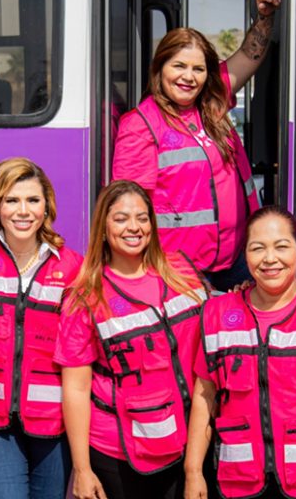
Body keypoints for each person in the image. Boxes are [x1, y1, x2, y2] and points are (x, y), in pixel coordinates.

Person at [184, 206, 296, 499]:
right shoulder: (216, 315)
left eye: (281, 247)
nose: (270, 259)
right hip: (239, 483)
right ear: (245, 254)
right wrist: (193, 472)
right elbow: (204, 396)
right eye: (258, 248)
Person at [112, 0, 282, 292]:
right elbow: (129, 210)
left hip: (237, 261)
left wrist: (264, 17)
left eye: (198, 69)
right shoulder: (140, 126)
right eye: (179, 66)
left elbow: (248, 55)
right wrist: (161, 273)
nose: (188, 77)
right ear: (160, 68)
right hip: (181, 270)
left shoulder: (213, 102)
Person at [55, 180, 209, 499]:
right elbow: (76, 388)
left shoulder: (184, 274)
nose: (134, 227)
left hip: (188, 445)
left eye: (142, 218)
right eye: (121, 218)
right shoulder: (85, 297)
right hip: (117, 453)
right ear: (103, 227)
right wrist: (82, 470)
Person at [0, 158, 84, 499]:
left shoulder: (72, 266)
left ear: (47, 207)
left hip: (54, 422)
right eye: (11, 200)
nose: (23, 211)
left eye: (33, 200)